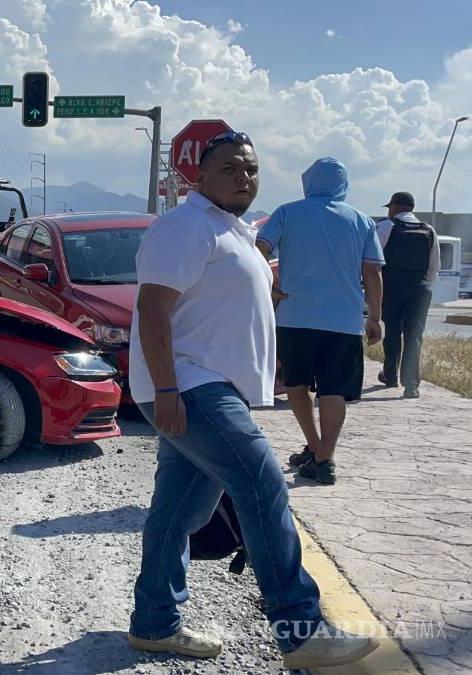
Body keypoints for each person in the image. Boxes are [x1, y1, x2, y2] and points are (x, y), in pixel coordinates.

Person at [128, 131, 377, 669]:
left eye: (251, 168)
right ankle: (301, 630)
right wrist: (166, 389)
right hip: (190, 386)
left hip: (211, 384)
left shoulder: (233, 230)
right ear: (199, 177)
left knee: (180, 511)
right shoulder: (186, 226)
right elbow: (152, 309)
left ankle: (153, 622)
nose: (243, 176)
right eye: (229, 168)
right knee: (263, 484)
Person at [256, 158, 384, 486]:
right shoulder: (362, 221)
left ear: (308, 182)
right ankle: (324, 458)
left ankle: (315, 446)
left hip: (295, 316)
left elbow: (258, 250)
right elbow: (372, 271)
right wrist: (375, 317)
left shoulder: (287, 212)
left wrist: (269, 287)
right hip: (344, 321)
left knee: (296, 385)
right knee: (334, 391)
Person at [375, 191, 439, 398]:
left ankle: (390, 375)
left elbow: (373, 259)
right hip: (420, 288)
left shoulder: (386, 226)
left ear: (394, 207)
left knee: (392, 331)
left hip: (393, 287)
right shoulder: (429, 229)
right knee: (414, 336)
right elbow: (434, 266)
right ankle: (411, 385)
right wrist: (423, 286)